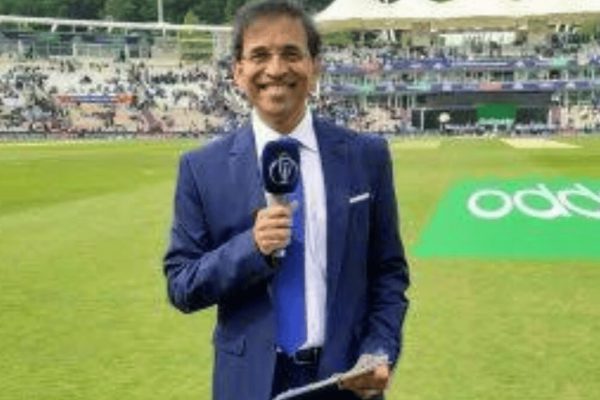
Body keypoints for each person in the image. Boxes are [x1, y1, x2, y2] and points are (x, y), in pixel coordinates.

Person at [163, 1, 410, 399]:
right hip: (249, 386)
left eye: (291, 54)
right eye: (259, 55)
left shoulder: (367, 156)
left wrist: (379, 349)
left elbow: (388, 273)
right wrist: (251, 248)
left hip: (346, 381)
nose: (276, 69)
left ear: (315, 66)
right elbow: (182, 284)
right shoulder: (201, 168)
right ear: (238, 70)